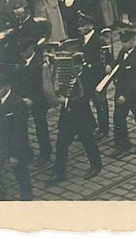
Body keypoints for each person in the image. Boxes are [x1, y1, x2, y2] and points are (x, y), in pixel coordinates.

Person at [50, 54, 103, 184]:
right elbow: (63, 90)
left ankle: (96, 165)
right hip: (67, 117)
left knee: (88, 142)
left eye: (76, 66)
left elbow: (83, 99)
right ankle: (60, 172)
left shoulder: (87, 78)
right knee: (61, 144)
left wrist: (66, 101)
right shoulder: (68, 76)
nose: (73, 68)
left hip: (81, 117)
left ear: (80, 66)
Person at [109, 29, 136, 157]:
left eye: (126, 42)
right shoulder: (123, 53)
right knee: (118, 118)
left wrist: (125, 96)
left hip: (135, 95)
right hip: (121, 91)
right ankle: (123, 143)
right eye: (122, 42)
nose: (123, 45)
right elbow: (118, 64)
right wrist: (110, 66)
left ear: (133, 41)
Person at [0, 79, 34, 200]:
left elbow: (20, 133)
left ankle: (26, 198)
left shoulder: (17, 103)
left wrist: (14, 155)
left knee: (21, 173)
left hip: (16, 147)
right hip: (1, 144)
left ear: (7, 87)